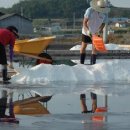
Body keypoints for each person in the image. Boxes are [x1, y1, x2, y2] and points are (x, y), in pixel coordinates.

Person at [80, 0, 110, 65]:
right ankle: (81, 63)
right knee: (83, 46)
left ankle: (93, 64)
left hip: (96, 32)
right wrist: (87, 31)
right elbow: (84, 22)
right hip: (86, 31)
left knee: (95, 48)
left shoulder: (105, 13)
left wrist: (100, 30)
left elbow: (103, 23)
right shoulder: (90, 11)